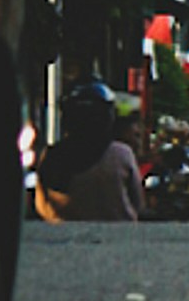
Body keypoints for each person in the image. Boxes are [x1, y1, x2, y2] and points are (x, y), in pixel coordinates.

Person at [35, 79, 144, 223]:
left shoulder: (52, 156)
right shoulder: (122, 154)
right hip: (120, 239)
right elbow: (138, 204)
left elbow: (42, 207)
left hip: (65, 241)